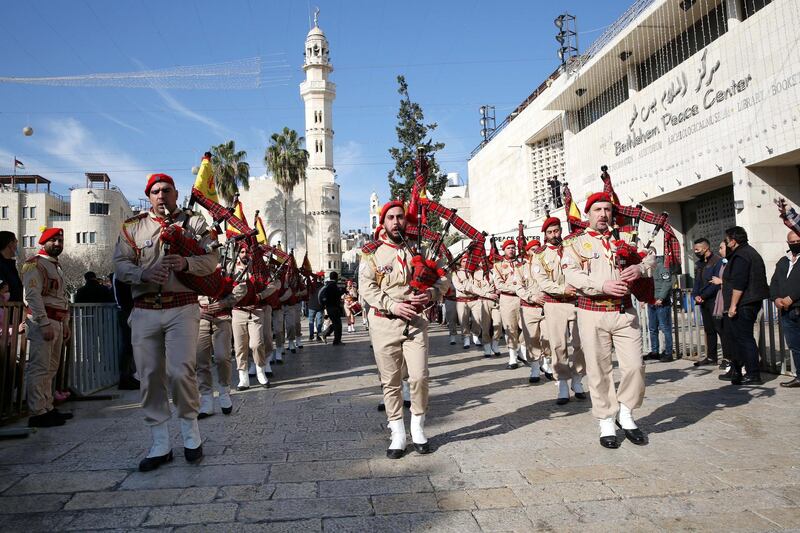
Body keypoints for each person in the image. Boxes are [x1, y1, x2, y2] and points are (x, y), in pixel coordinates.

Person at [114, 173, 219, 471]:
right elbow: (120, 264)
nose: (161, 195)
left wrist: (187, 263)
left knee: (180, 371)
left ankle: (191, 435)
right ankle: (160, 443)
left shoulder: (195, 223)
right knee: (148, 376)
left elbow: (212, 261)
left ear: (176, 194)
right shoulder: (133, 227)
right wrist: (142, 274)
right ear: (149, 196)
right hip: (145, 309)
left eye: (167, 190)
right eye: (155, 191)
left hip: (182, 307)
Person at [563, 193, 654, 449]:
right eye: (597, 210)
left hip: (625, 312)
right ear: (588, 214)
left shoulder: (625, 238)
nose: (603, 214)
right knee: (599, 370)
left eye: (607, 210)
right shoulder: (575, 243)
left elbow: (651, 255)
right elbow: (572, 274)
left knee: (635, 366)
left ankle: (626, 415)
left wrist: (640, 268)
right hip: (592, 312)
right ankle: (605, 420)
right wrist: (602, 284)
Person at [359, 200, 450, 459]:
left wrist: (431, 294)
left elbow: (444, 278)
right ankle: (397, 433)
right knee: (391, 381)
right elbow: (367, 287)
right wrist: (392, 305)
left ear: (407, 221)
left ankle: (418, 427)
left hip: (416, 322)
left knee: (419, 376)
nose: (396, 222)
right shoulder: (371, 253)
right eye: (391, 218)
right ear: (383, 223)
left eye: (400, 217)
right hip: (384, 322)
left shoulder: (421, 249)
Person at [22, 227, 72, 428]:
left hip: (57, 321)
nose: (58, 244)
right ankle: (37, 411)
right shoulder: (33, 264)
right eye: (54, 241)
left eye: (60, 240)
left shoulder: (55, 266)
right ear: (44, 242)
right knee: (39, 367)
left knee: (51, 367)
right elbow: (32, 296)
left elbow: (61, 298)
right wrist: (43, 323)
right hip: (43, 321)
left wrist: (65, 323)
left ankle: (47, 407)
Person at [533, 217, 586, 402]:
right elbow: (542, 282)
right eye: (550, 232)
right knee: (558, 346)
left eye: (556, 231)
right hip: (554, 304)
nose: (554, 235)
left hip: (577, 302)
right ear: (545, 235)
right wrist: (562, 289)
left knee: (581, 344)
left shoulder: (572, 247)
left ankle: (578, 378)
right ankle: (562, 383)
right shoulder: (539, 255)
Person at [719, 226, 769, 385]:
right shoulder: (747, 252)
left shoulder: (741, 255)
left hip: (744, 303)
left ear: (733, 241)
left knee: (744, 338)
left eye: (727, 240)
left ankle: (753, 374)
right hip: (747, 302)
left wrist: (733, 306)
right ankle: (737, 371)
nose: (726, 244)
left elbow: (739, 283)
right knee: (737, 339)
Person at [231, 247, 273, 390]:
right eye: (242, 252)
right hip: (238, 312)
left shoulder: (259, 270)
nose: (244, 255)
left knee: (256, 344)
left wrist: (261, 295)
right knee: (240, 346)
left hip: (256, 311)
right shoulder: (231, 268)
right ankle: (243, 379)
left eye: (247, 252)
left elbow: (274, 283)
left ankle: (261, 371)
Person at [770, 230, 800, 388]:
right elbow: (774, 282)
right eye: (791, 242)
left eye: (797, 241)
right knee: (794, 345)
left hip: (797, 306)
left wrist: (792, 297)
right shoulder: (783, 261)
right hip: (787, 312)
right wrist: (775, 298)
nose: (794, 244)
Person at [691, 238, 724, 366]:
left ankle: (727, 359)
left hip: (715, 300)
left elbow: (715, 283)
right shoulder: (699, 264)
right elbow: (697, 282)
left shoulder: (717, 261)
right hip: (703, 301)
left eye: (697, 249)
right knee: (709, 330)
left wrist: (703, 295)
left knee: (720, 329)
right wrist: (695, 295)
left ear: (705, 248)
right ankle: (711, 357)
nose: (695, 251)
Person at [493, 240, 523, 368]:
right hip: (508, 299)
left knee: (525, 327)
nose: (511, 250)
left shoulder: (522, 263)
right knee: (510, 328)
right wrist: (516, 288)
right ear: (504, 250)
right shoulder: (498, 266)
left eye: (513, 247)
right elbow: (499, 284)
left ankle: (522, 350)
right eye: (509, 248)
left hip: (523, 299)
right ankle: (512, 357)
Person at [111, 272, 139, 390]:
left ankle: (128, 375)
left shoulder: (120, 274)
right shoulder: (120, 275)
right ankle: (125, 377)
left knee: (130, 346)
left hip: (127, 311)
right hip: (127, 312)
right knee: (128, 345)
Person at [452, 258, 484, 350]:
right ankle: (466, 337)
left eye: (467, 261)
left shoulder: (475, 271)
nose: (466, 263)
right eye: (463, 261)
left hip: (474, 299)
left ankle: (475, 335)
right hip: (462, 299)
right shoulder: (456, 272)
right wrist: (468, 289)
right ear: (460, 263)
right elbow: (457, 285)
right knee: (463, 320)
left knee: (477, 319)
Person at [648, 255, 675, 363]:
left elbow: (667, 282)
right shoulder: (649, 267)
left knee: (665, 328)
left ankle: (668, 353)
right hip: (651, 301)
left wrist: (661, 298)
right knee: (652, 328)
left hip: (661, 302)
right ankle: (655, 352)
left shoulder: (662, 266)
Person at [319, 271, 344, 345]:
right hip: (334, 307)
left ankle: (325, 333)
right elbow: (336, 296)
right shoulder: (333, 286)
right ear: (336, 278)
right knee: (338, 325)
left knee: (336, 324)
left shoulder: (327, 285)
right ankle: (336, 341)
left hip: (329, 307)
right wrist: (342, 292)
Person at [0, 231, 22, 303]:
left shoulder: (9, 264)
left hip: (13, 312)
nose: (17, 246)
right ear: (10, 244)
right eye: (16, 242)